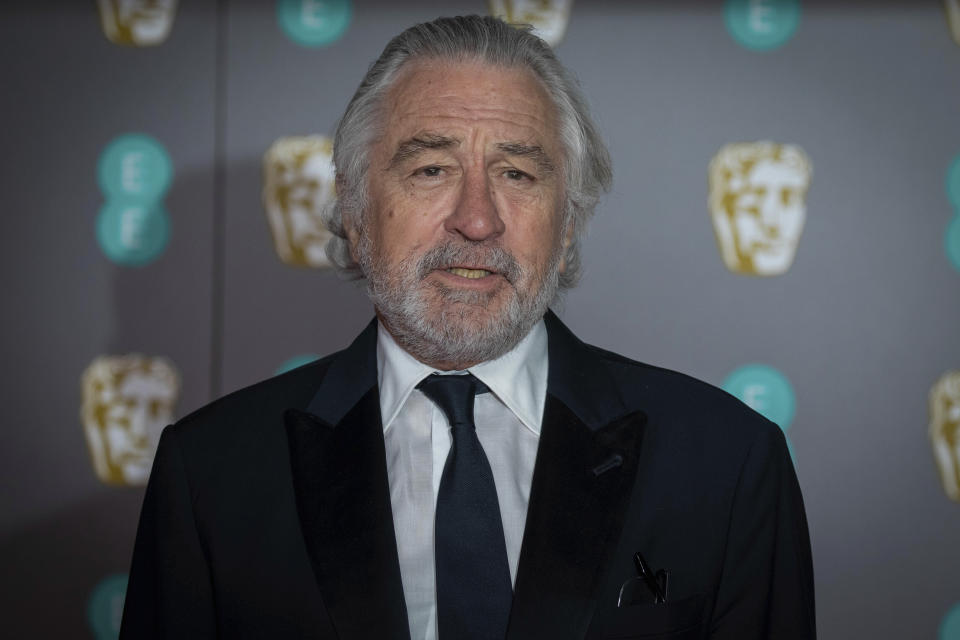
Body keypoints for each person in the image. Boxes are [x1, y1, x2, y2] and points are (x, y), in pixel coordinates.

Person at [121, 15, 815, 640]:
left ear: (567, 227)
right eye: (431, 169)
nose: (477, 219)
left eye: (516, 173)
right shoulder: (210, 474)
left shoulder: (728, 463)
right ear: (357, 215)